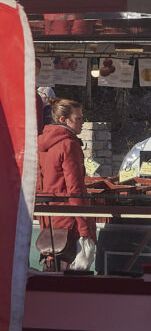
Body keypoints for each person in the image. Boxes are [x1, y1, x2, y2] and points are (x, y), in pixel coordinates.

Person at [37, 99, 97, 270]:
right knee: (71, 276)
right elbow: (75, 189)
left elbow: (38, 184)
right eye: (78, 118)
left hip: (49, 220)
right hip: (70, 221)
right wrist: (85, 229)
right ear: (63, 120)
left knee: (51, 272)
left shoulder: (42, 145)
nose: (82, 122)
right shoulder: (69, 144)